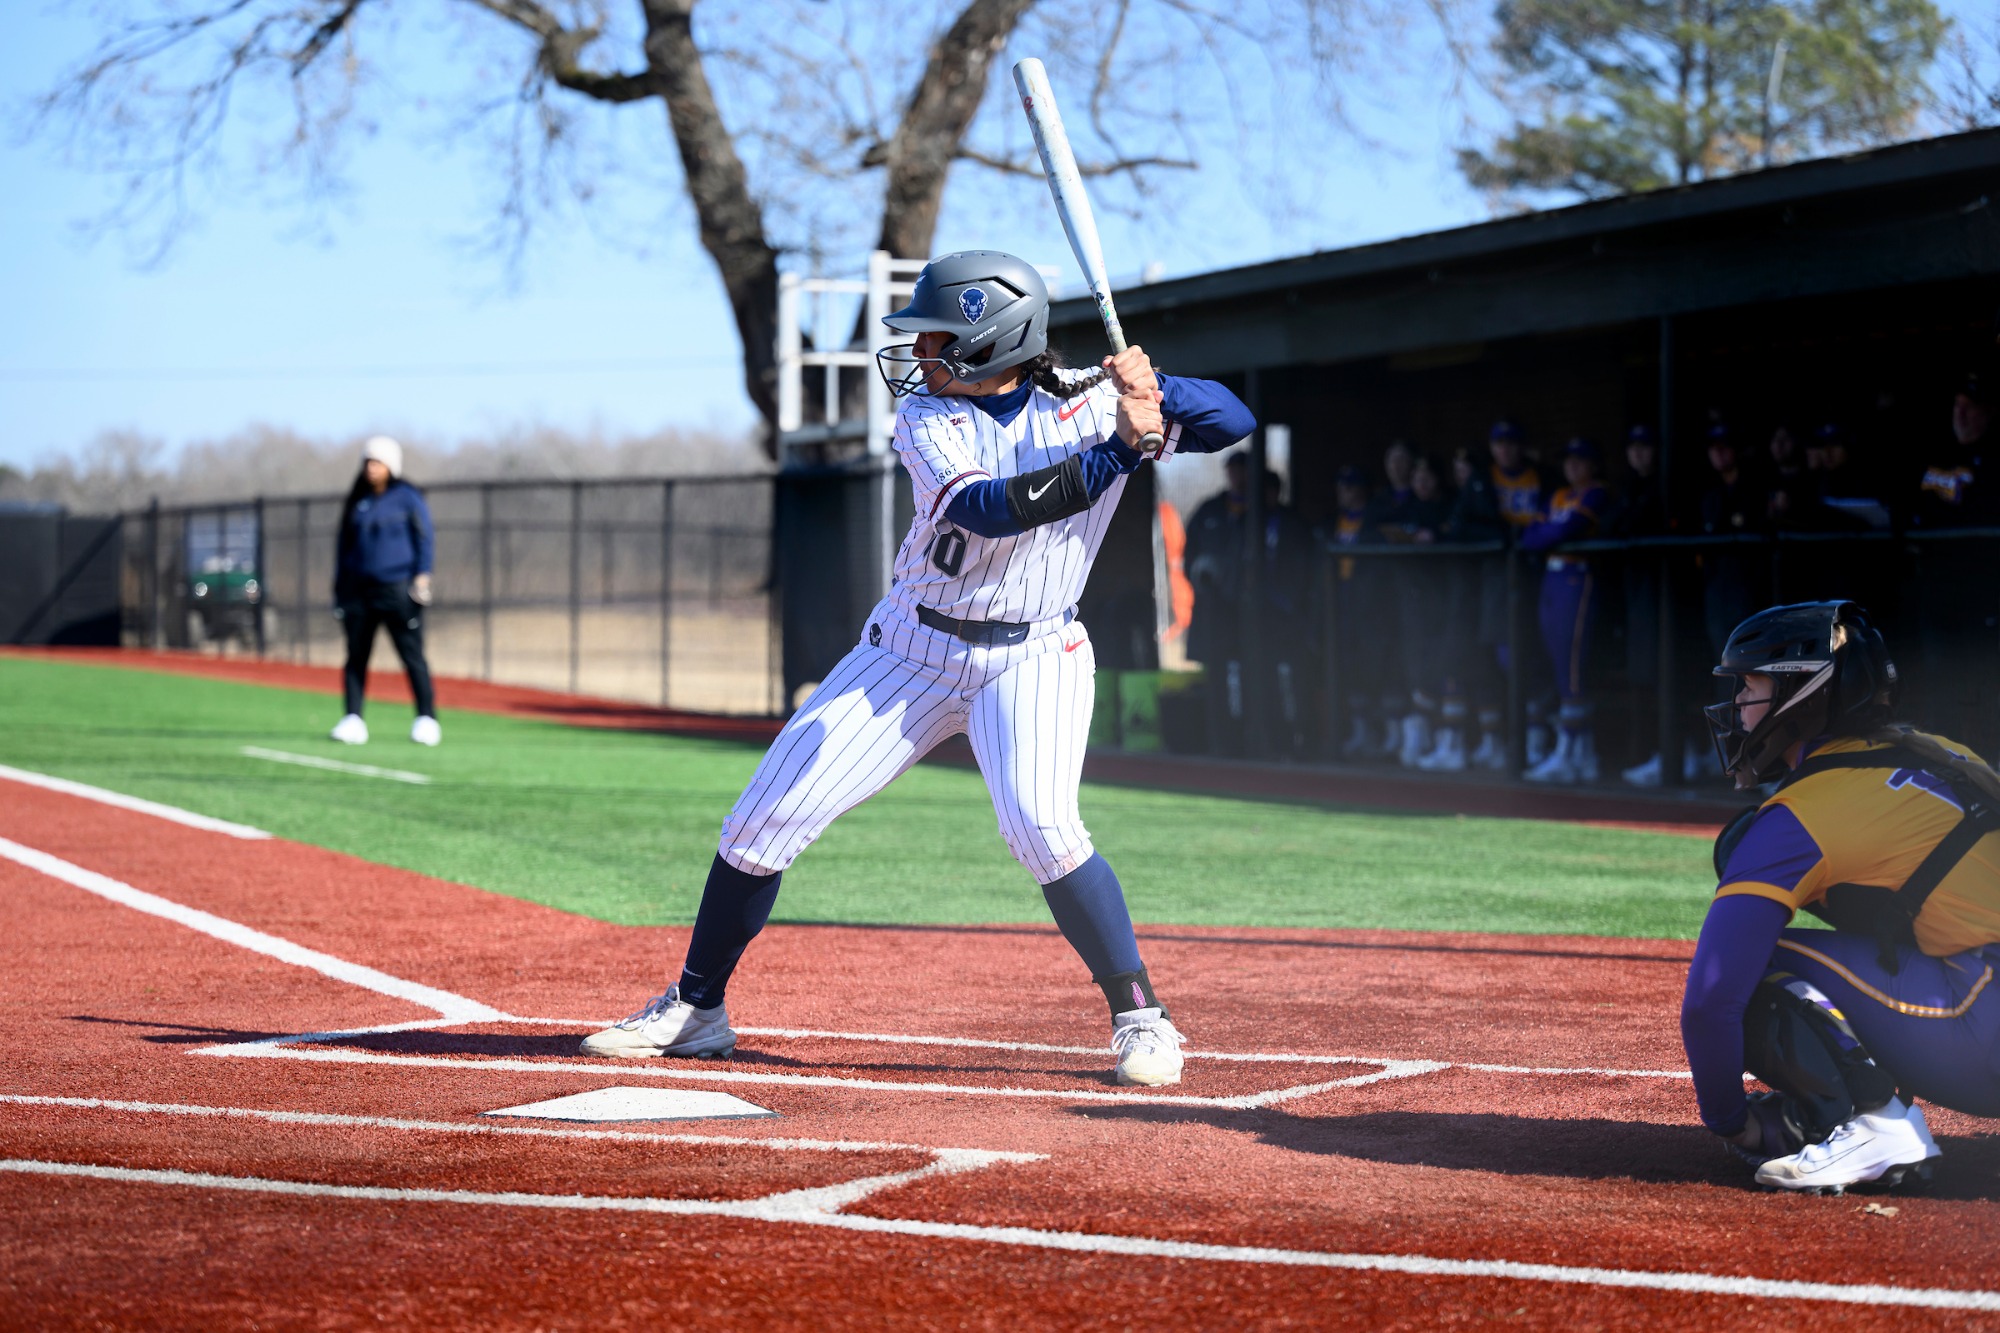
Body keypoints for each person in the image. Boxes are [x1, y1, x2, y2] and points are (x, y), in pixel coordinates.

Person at [581, 251, 1255, 1087]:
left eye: (936, 336)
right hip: (909, 647)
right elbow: (990, 509)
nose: (920, 351)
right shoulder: (929, 420)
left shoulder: (1092, 399)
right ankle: (696, 1007)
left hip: (1035, 652)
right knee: (764, 816)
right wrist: (1120, 451)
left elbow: (1236, 420)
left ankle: (1142, 1017)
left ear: (990, 341)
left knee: (1043, 827)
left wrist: (1159, 390)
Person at [1682, 601, 2000, 1191]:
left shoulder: (1802, 812)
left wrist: (1734, 1126)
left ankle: (1874, 1120)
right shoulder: (1943, 754)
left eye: (1750, 688)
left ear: (1799, 696)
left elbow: (1710, 1001)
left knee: (1753, 966)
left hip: (1987, 1023)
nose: (1739, 710)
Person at [330, 435, 439, 747]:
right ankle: (352, 719)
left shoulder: (407, 497)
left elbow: (424, 537)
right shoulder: (357, 500)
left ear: (391, 465)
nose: (371, 468)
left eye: (377, 462)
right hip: (359, 592)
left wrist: (422, 577)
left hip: (397, 590)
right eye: (367, 462)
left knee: (412, 655)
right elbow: (344, 547)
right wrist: (339, 591)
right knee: (356, 657)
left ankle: (426, 718)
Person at [1521, 438, 1612, 783]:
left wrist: (1550, 533)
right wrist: (1550, 534)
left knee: (1572, 667)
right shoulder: (1559, 495)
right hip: (1552, 579)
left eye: (1579, 460)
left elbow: (1565, 529)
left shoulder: (1597, 492)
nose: (1572, 466)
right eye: (1568, 460)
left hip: (1578, 578)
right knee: (1559, 665)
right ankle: (1582, 753)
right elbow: (1532, 536)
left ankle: (1570, 753)